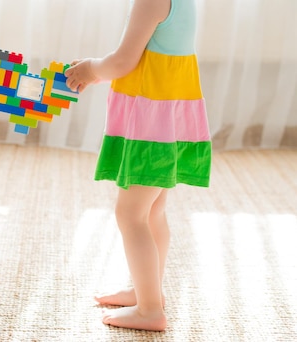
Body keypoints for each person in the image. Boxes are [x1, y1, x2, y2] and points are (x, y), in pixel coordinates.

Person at [64, 0, 211, 331]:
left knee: (130, 214)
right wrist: (97, 71)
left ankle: (149, 310)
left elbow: (121, 61)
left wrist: (91, 69)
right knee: (152, 212)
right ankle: (147, 291)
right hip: (163, 121)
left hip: (151, 127)